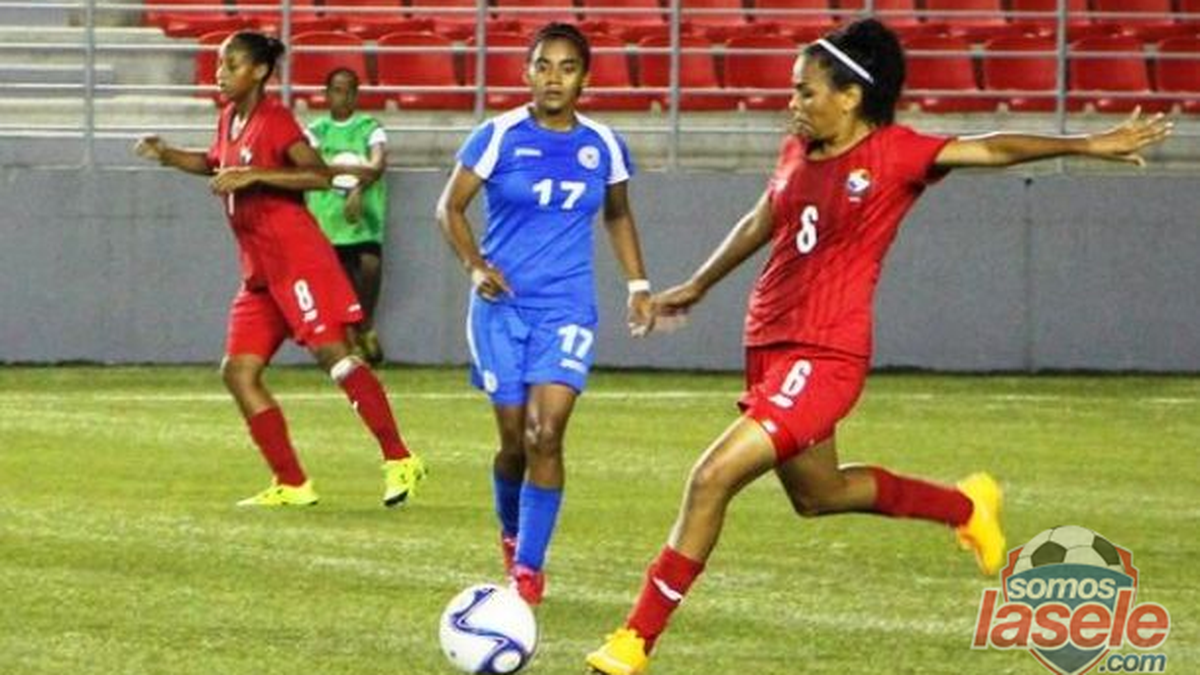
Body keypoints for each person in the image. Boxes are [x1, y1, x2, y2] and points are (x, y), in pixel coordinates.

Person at [586, 18, 1172, 675]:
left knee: (711, 477)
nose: (792, 102)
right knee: (819, 494)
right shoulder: (797, 150)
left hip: (825, 354)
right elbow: (763, 218)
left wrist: (1088, 142)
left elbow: (991, 148)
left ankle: (634, 639)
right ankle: (966, 505)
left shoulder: (896, 154)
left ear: (850, 97)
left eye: (805, 91)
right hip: (770, 347)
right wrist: (697, 284)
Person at [134, 31, 427, 508]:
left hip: (296, 260)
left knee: (336, 357)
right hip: (261, 271)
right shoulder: (229, 118)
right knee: (239, 372)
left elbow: (319, 175)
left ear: (260, 72)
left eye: (231, 65)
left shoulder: (276, 121)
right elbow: (213, 163)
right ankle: (292, 482)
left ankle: (400, 458)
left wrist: (257, 174)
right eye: (219, 63)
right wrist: (168, 155)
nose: (220, 73)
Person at [436, 22, 654, 605]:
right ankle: (513, 533)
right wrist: (475, 265)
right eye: (543, 65)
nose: (553, 77)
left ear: (585, 78)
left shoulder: (604, 144)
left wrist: (638, 284)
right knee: (513, 441)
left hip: (567, 309)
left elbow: (617, 214)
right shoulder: (497, 136)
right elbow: (449, 208)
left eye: (567, 67)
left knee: (545, 434)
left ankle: (528, 572)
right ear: (526, 73)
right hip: (500, 308)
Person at [305, 67, 389, 366]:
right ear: (327, 94)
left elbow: (377, 165)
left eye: (350, 91)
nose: (344, 96)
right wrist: (352, 173)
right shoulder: (316, 130)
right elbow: (314, 168)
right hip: (327, 218)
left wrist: (357, 188)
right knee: (337, 282)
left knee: (370, 266)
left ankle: (365, 326)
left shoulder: (369, 127)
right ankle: (350, 344)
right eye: (338, 90)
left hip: (364, 218)